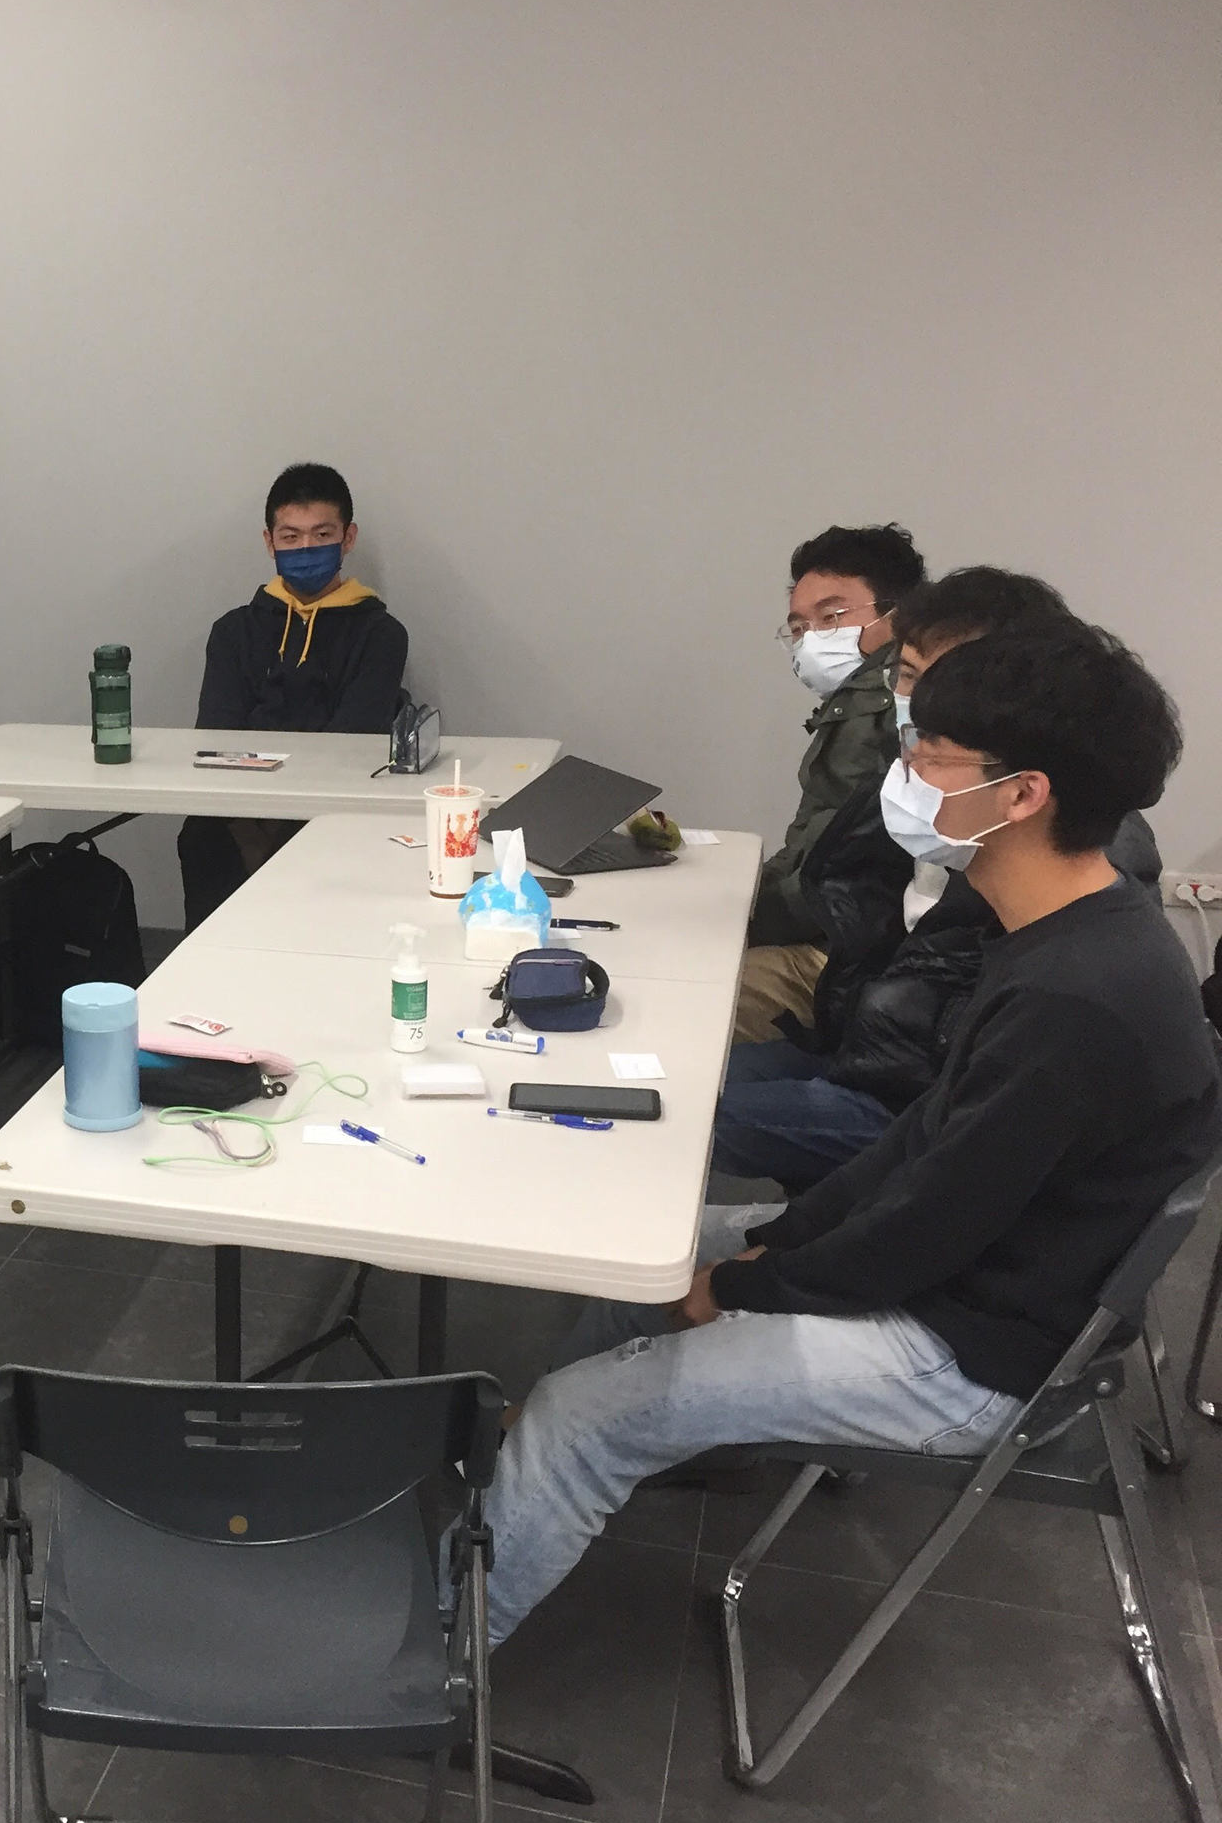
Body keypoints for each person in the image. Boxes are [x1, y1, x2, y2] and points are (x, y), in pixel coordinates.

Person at [481, 621, 1217, 1643]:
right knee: (646, 1251)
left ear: (1022, 795)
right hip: (952, 1286)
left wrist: (744, 1286)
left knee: (586, 1416)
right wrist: (774, 1239)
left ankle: (440, 1659)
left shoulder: (1077, 999)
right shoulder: (1055, 934)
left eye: (930, 755)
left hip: (969, 1358)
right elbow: (919, 1147)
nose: (904, 774)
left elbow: (925, 1230)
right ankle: (530, 1480)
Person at [713, 567, 1163, 1190]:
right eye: (908, 675)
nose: (920, 706)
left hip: (914, 1100)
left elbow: (958, 1162)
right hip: (876, 1053)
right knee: (678, 1080)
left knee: (681, 1116)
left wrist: (771, 1253)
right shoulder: (939, 799)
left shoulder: (1059, 875)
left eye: (948, 684)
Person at [178, 462, 407, 930]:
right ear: (270, 542)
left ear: (348, 538)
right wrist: (252, 833)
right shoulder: (233, 632)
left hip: (331, 809)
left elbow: (351, 745)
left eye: (322, 535)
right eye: (291, 537)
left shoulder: (381, 635)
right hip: (238, 811)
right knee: (199, 836)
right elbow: (216, 740)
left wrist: (279, 833)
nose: (306, 549)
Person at [736, 523, 925, 1043]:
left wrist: (741, 919)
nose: (813, 637)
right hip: (845, 937)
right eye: (799, 626)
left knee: (697, 993)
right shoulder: (853, 701)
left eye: (832, 616)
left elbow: (845, 872)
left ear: (897, 614)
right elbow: (813, 841)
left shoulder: (886, 705)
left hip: (850, 954)